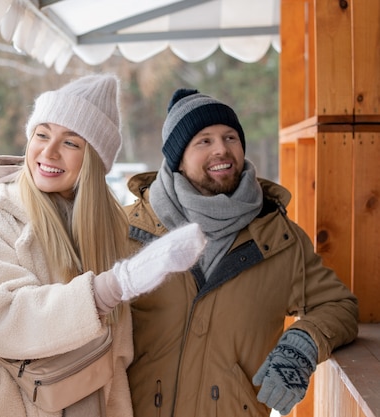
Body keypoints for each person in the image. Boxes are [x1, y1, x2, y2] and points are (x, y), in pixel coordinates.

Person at [0, 74, 206, 416]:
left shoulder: (111, 230)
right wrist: (108, 289)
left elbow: (115, 359)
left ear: (93, 159)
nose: (48, 152)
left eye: (70, 143)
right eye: (42, 135)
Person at [124, 88, 359, 417]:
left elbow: (339, 306)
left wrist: (303, 344)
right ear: (177, 157)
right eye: (204, 140)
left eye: (230, 137)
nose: (222, 149)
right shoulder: (126, 231)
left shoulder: (280, 239)